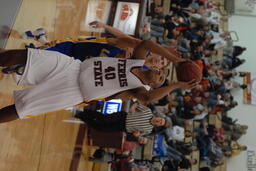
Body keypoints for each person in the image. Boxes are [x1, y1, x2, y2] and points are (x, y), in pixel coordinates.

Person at [0, 39, 198, 123]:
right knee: (22, 56)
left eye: (162, 78)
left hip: (72, 91)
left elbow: (147, 99)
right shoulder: (136, 61)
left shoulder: (139, 89)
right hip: (72, 66)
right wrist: (175, 60)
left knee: (21, 108)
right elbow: (145, 43)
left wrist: (175, 85)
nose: (160, 72)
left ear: (153, 85)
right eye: (161, 71)